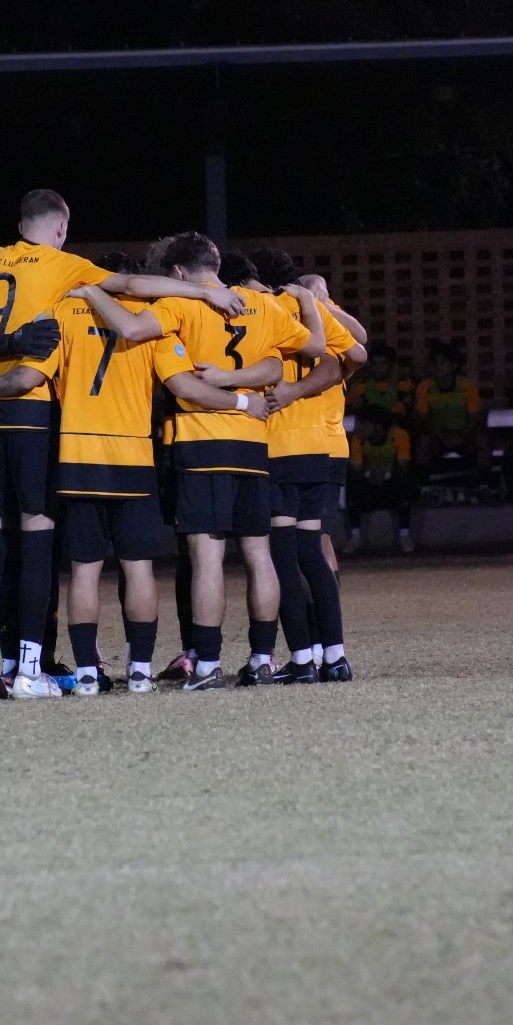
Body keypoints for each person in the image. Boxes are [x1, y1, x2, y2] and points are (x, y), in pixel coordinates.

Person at [0, 189, 245, 701]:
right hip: (75, 435)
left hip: (12, 430)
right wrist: (205, 294)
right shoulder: (69, 271)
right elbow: (136, 295)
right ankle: (55, 670)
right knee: (64, 546)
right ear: (62, 228)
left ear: (21, 221)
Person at [0, 257, 206, 695]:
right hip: (133, 455)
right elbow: (182, 383)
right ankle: (140, 671)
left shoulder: (63, 312)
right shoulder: (150, 320)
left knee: (84, 571)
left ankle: (88, 675)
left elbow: (29, 376)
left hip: (78, 456)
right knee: (139, 569)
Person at [150, 231, 323, 690]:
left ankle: (206, 665)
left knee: (206, 559)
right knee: (258, 554)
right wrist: (245, 390)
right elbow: (296, 358)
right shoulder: (260, 305)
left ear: (178, 273)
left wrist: (228, 390)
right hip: (254, 446)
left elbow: (184, 386)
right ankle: (262, 659)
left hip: (202, 444)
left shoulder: (175, 304)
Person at [252, 249, 367, 685]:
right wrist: (319, 301)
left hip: (280, 445)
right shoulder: (310, 311)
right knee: (315, 551)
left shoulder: (264, 310)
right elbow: (354, 354)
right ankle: (333, 655)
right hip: (323, 446)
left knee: (283, 559)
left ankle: (303, 658)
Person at [412, 340, 488, 487]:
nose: (437, 367)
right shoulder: (424, 387)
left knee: (482, 440)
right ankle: (425, 488)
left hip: (463, 435)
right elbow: (423, 418)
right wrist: (443, 436)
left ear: (454, 366)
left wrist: (460, 435)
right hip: (438, 437)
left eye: (443, 362)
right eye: (435, 362)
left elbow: (474, 418)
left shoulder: (467, 386)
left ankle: (484, 486)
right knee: (423, 443)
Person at [347, 405, 415, 552]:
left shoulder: (399, 435)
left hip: (391, 482)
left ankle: (404, 535)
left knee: (406, 483)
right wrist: (370, 475)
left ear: (377, 426)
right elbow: (356, 469)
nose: (359, 428)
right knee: (352, 485)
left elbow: (404, 466)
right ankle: (355, 536)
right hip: (370, 482)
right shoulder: (358, 440)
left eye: (364, 424)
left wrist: (385, 475)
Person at [347, 343, 413, 419]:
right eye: (375, 364)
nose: (378, 368)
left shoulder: (405, 385)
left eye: (383, 363)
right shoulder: (359, 388)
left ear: (391, 365)